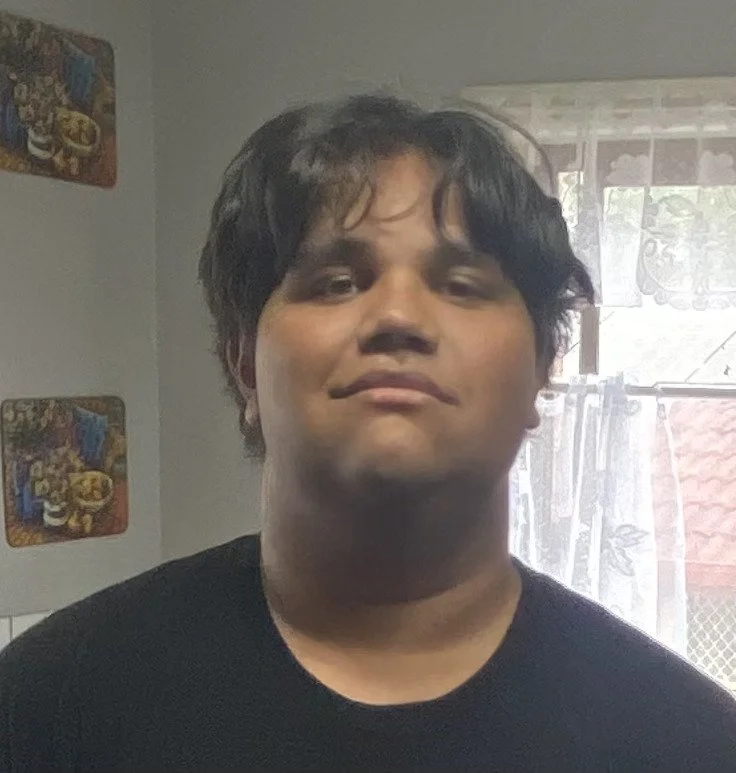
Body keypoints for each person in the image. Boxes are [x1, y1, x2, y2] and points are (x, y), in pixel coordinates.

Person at [1, 95, 734, 772]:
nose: (399, 318)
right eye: (338, 281)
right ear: (246, 362)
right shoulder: (47, 709)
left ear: (544, 368)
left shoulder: (686, 741)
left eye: (462, 284)